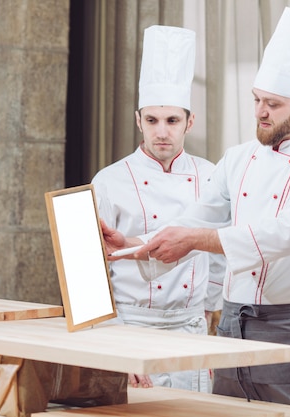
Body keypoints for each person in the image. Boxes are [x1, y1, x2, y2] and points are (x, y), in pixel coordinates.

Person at [101, 7, 290, 412]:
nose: (260, 113)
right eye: (256, 100)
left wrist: (195, 240)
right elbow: (194, 220)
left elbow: (287, 232)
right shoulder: (238, 158)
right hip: (234, 325)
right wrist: (133, 244)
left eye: (273, 104)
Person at [91, 25, 224, 393]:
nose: (161, 132)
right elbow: (90, 274)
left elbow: (220, 249)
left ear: (189, 122)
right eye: (151, 121)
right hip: (129, 329)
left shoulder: (210, 176)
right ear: (138, 120)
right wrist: (114, 345)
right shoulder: (108, 181)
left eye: (172, 121)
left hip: (191, 332)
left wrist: (208, 308)